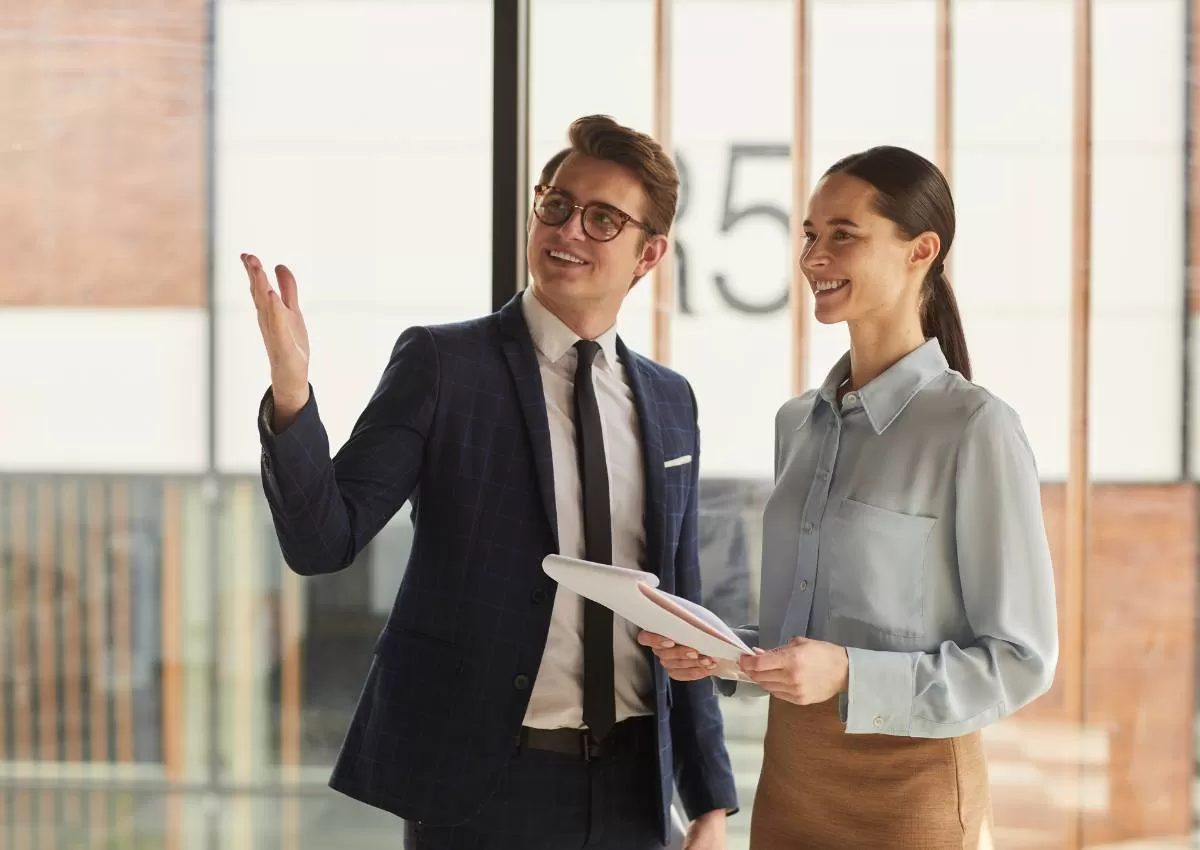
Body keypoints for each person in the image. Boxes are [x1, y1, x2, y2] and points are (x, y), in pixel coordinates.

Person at [243, 114, 737, 850]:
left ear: (649, 253)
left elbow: (681, 606)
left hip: (637, 790)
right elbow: (324, 540)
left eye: (603, 219)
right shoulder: (444, 366)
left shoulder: (671, 400)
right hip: (486, 790)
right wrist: (291, 395)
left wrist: (710, 801)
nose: (568, 230)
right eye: (556, 204)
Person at [640, 145, 1059, 848]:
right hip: (790, 784)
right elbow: (806, 637)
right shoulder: (796, 423)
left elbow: (1020, 661)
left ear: (920, 250)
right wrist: (722, 652)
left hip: (912, 795)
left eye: (843, 235)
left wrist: (849, 674)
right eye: (809, 233)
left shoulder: (975, 429)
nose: (813, 257)